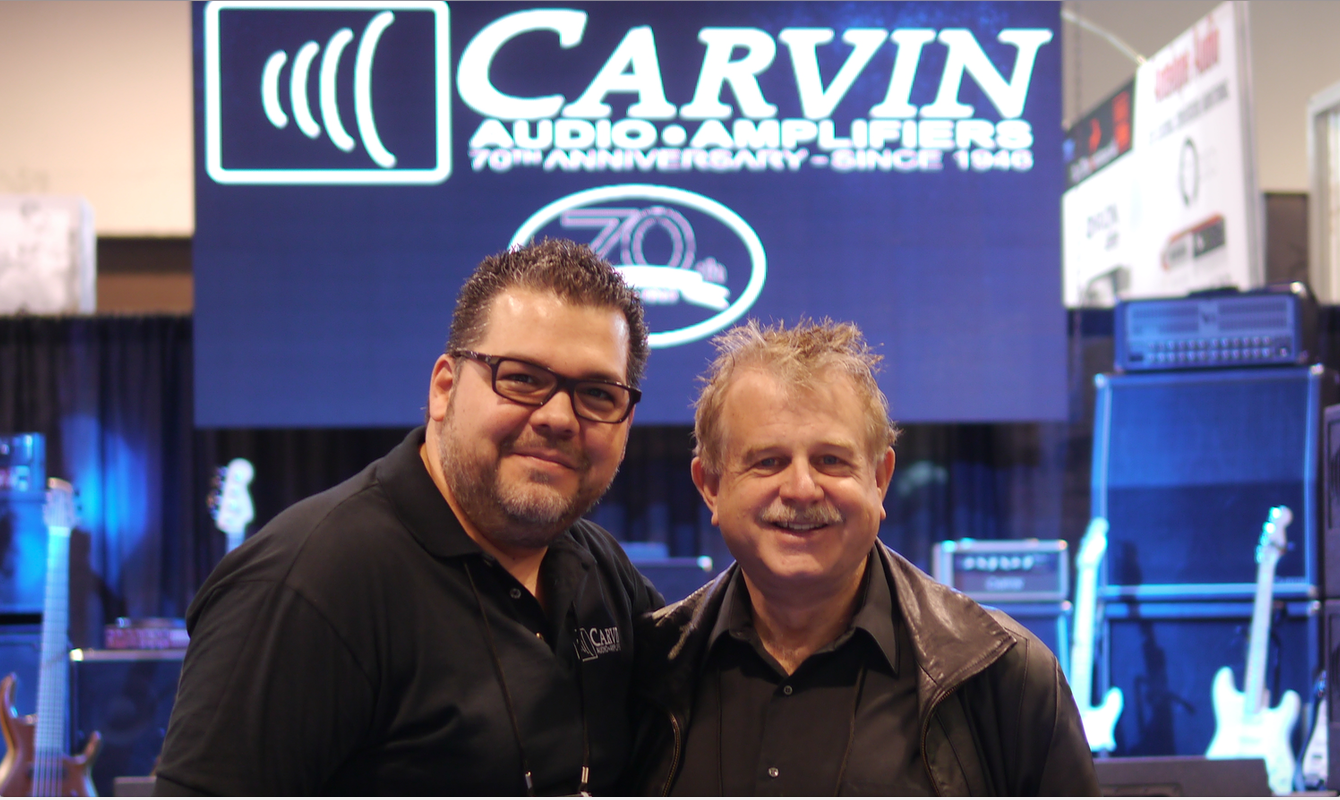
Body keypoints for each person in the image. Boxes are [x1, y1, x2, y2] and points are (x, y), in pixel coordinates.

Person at [154, 240, 663, 795]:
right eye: (521, 378)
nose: (559, 417)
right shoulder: (305, 587)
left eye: (598, 394)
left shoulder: (602, 574)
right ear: (445, 389)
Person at [630, 319, 1098, 796]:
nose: (801, 489)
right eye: (768, 461)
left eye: (831, 460)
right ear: (710, 486)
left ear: (879, 479)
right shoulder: (640, 675)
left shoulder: (1006, 677)